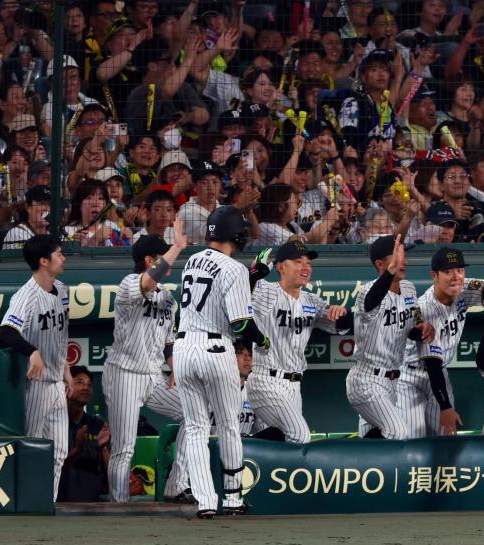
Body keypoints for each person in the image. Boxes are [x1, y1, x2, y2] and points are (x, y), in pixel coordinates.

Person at [173, 206, 270, 518]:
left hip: (184, 347)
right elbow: (241, 324)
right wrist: (263, 340)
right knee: (228, 424)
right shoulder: (234, 269)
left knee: (197, 428)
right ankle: (232, 499)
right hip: (215, 348)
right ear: (237, 234)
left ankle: (204, 502)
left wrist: (253, 275)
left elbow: (216, 288)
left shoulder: (192, 260)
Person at [102, 224, 191, 504]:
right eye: (162, 256)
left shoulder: (167, 297)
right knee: (124, 447)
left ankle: (176, 486)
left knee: (194, 414)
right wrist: (176, 247)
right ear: (149, 261)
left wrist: (173, 365)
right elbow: (146, 283)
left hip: (153, 375)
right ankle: (120, 505)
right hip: (124, 372)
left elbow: (168, 340)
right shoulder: (130, 282)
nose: (170, 261)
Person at [397, 248, 484, 437]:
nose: (456, 277)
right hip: (410, 378)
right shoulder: (424, 308)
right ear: (434, 275)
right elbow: (432, 364)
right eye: (448, 272)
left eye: (460, 270)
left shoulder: (461, 289)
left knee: (446, 438)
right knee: (412, 438)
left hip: (439, 373)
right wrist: (445, 407)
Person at [246, 241, 350, 443]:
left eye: (308, 263)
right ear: (280, 267)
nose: (305, 267)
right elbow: (241, 292)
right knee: (300, 435)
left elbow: (340, 326)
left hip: (294, 386)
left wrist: (342, 312)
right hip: (266, 379)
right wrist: (253, 275)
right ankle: (237, 445)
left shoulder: (312, 301)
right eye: (298, 261)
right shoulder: (266, 291)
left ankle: (242, 445)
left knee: (279, 442)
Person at [0, 235, 71, 501]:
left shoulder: (62, 290)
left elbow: (60, 334)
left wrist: (66, 370)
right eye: (59, 253)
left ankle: (45, 502)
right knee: (32, 444)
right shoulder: (25, 295)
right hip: (35, 384)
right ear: (43, 261)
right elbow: (6, 331)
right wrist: (32, 351)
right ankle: (27, 502)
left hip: (56, 383)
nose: (63, 257)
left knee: (60, 450)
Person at [346, 235, 432, 440]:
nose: (404, 260)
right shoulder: (368, 291)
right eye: (397, 255)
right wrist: (390, 272)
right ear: (380, 264)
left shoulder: (409, 288)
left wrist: (423, 329)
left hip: (392, 381)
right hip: (366, 379)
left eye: (403, 254)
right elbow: (369, 303)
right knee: (397, 432)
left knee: (373, 439)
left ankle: (355, 467)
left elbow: (412, 327)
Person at [58, 366, 111, 502]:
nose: (86, 387)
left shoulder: (97, 425)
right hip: (59, 500)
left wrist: (104, 449)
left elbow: (107, 475)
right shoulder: (54, 422)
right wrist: (79, 448)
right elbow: (53, 468)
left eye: (89, 384)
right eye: (79, 382)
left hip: (90, 502)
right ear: (66, 386)